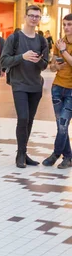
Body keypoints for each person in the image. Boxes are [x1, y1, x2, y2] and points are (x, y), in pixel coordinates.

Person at [0, 5, 49, 168]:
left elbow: (44, 65)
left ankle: (24, 152)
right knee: (22, 118)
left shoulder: (42, 40)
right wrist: (22, 56)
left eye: (37, 16)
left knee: (29, 120)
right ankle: (20, 155)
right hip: (19, 84)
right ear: (25, 17)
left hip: (35, 86)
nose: (34, 19)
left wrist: (38, 61)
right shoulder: (14, 38)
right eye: (32, 15)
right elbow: (3, 61)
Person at [43, 14, 72, 169]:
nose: (66, 27)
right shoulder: (59, 43)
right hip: (57, 87)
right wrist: (56, 66)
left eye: (69, 24)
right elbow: (52, 65)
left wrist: (64, 51)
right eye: (64, 24)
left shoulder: (62, 46)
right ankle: (68, 157)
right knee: (61, 124)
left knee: (63, 124)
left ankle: (55, 154)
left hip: (71, 91)